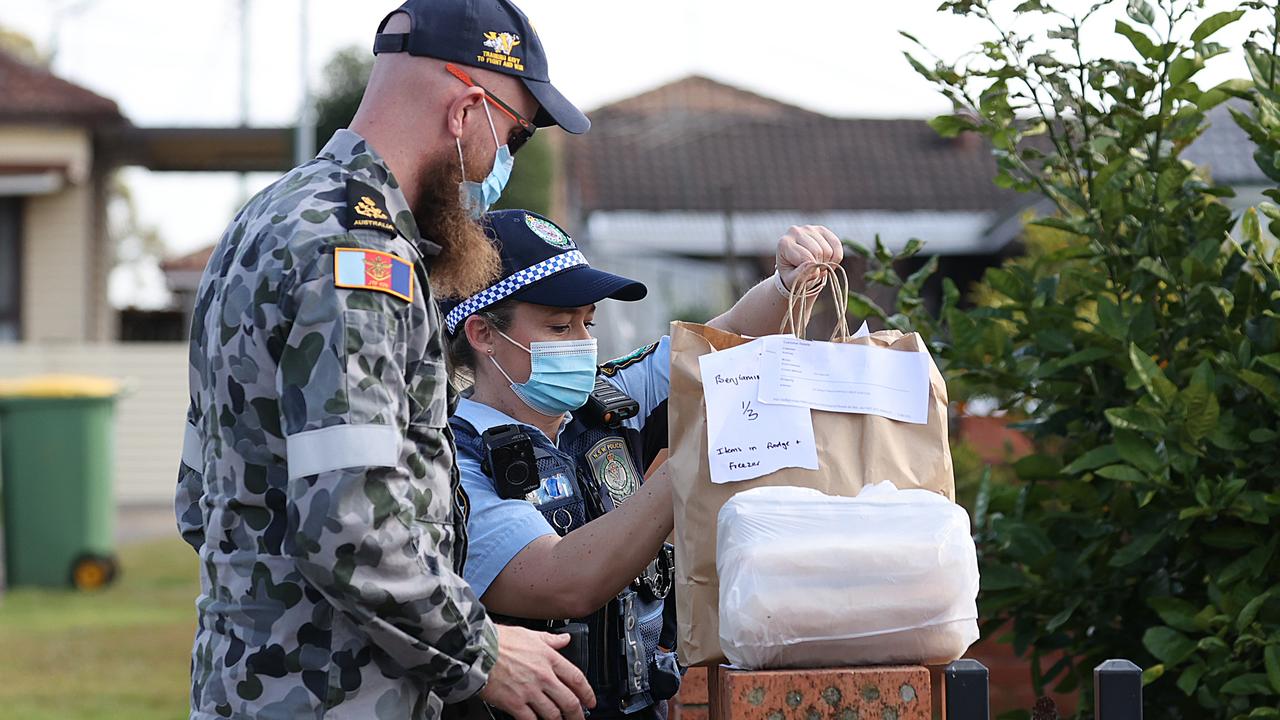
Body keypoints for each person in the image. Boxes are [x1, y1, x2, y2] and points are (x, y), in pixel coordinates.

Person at [173, 1, 598, 718]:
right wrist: (483, 653)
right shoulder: (362, 257)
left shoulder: (268, 218)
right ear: (467, 109)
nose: (503, 164)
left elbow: (200, 498)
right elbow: (350, 524)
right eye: (516, 134)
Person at [442, 209, 844, 719]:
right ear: (482, 334)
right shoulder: (454, 457)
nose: (582, 345)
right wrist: (691, 464)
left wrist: (786, 284)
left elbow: (725, 342)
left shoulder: (609, 401)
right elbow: (563, 577)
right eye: (559, 326)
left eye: (589, 323)